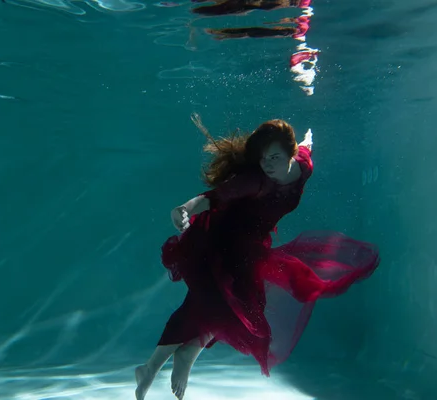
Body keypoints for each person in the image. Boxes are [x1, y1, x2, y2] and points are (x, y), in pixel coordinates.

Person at [135, 114, 380, 400]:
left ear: (290, 155)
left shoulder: (303, 166)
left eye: (275, 157)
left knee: (243, 305)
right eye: (263, 159)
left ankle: (183, 355)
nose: (268, 165)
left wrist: (309, 139)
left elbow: (305, 147)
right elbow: (215, 196)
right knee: (208, 302)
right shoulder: (256, 181)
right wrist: (185, 208)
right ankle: (153, 367)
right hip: (221, 238)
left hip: (251, 248)